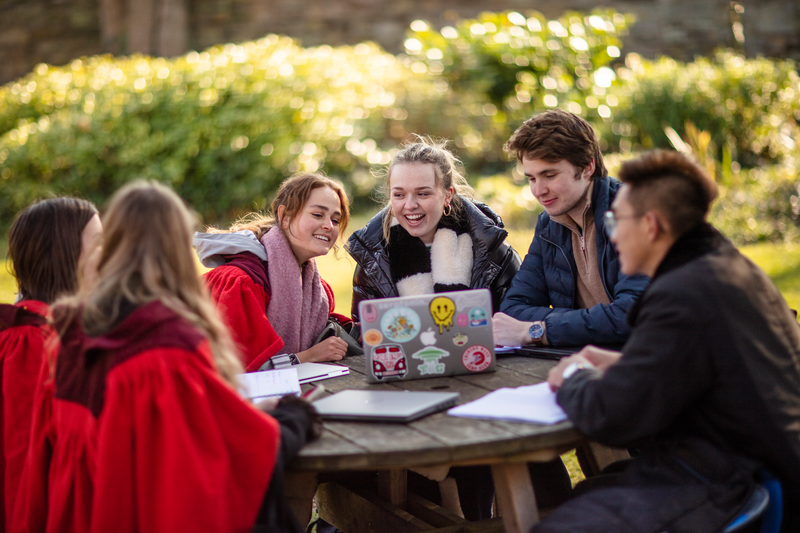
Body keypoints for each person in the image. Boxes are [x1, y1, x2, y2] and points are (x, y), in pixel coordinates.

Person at [12, 181, 320, 533]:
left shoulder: (70, 343)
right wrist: (294, 417)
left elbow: (43, 467)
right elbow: (221, 455)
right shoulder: (162, 353)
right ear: (176, 254)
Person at [539, 150, 800, 532]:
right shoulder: (726, 267)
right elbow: (696, 367)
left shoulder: (682, 293)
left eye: (615, 220)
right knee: (589, 492)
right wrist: (625, 365)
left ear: (651, 225)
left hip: (740, 483)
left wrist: (575, 375)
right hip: (751, 463)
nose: (610, 232)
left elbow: (615, 415)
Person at [347, 137, 540, 522]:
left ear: (447, 195)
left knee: (475, 454)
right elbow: (360, 336)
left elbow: (514, 321)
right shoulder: (375, 257)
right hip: (404, 391)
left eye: (423, 193)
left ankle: (478, 519)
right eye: (399, 194)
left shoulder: (491, 250)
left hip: (481, 386)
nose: (409, 205)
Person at [493, 109, 648, 348]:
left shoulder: (634, 212)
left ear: (587, 167)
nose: (538, 191)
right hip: (589, 358)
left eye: (549, 175)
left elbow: (630, 315)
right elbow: (513, 309)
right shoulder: (548, 224)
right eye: (532, 178)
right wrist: (575, 327)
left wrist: (539, 330)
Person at [0, 197, 101, 530]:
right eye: (99, 244)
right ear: (66, 256)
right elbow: (22, 461)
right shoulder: (31, 343)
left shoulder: (59, 331)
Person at [194, 173, 354, 372]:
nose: (329, 225)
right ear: (285, 217)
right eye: (317, 215)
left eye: (336, 220)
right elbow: (238, 371)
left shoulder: (316, 289)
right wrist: (309, 356)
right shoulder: (241, 283)